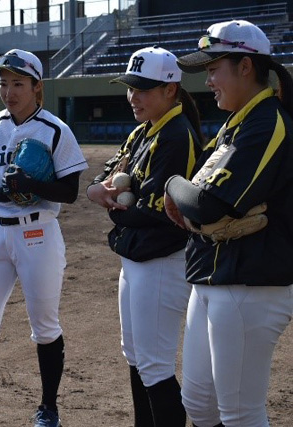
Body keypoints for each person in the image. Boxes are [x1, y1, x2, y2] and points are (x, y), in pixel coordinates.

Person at [0, 49, 88, 427]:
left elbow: (70, 192)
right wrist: (0, 193)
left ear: (37, 86)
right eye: (4, 83)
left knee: (45, 326)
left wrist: (31, 185)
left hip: (37, 233)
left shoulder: (54, 130)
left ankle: (48, 409)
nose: (9, 92)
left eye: (18, 84)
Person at [162, 20, 293, 427]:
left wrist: (171, 183)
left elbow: (207, 204)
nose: (208, 81)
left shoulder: (267, 122)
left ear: (246, 67)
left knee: (239, 413)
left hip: (252, 284)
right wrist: (183, 191)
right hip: (214, 275)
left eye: (214, 68)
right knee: (199, 405)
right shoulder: (237, 123)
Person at [86, 46, 204, 426]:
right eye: (130, 87)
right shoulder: (143, 131)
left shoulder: (177, 135)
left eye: (143, 88)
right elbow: (108, 174)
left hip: (163, 261)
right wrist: (97, 189)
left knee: (155, 366)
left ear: (170, 89)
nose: (133, 96)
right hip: (136, 258)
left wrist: (111, 204)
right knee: (136, 357)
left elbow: (156, 212)